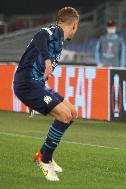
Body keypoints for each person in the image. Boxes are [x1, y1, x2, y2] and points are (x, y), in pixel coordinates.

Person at [13, 7, 79, 181]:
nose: (76, 30)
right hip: (27, 83)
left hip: (35, 85)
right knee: (63, 116)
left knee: (71, 112)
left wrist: (33, 100)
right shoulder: (53, 31)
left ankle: (41, 154)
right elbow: (39, 36)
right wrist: (48, 60)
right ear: (73, 25)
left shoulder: (59, 42)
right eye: (76, 26)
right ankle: (45, 160)